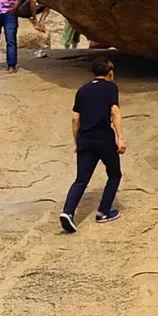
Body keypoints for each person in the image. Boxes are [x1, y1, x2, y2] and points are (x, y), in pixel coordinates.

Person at [59, 57, 126, 233]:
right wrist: (120, 138)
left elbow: (75, 119)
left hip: (85, 140)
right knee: (114, 174)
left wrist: (75, 142)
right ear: (109, 72)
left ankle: (67, 212)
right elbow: (114, 112)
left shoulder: (82, 90)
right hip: (103, 138)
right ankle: (103, 212)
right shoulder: (111, 87)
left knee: (81, 179)